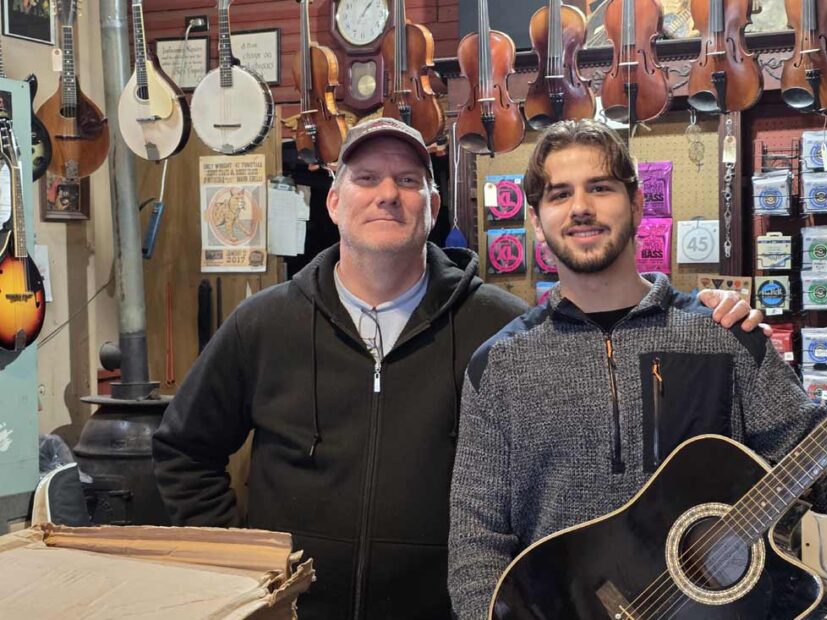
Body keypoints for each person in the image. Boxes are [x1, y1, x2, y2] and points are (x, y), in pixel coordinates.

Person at [152, 117, 764, 619]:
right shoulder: (265, 323)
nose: (387, 194)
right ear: (334, 201)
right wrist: (251, 564)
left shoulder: (500, 328)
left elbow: (539, 495)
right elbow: (184, 450)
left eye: (408, 179)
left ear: (433, 203)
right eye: (366, 178)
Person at [447, 119, 827, 619]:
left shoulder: (725, 336)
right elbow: (475, 539)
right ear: (535, 218)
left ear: (636, 204)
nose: (581, 208)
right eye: (559, 194)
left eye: (600, 187)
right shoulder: (499, 365)